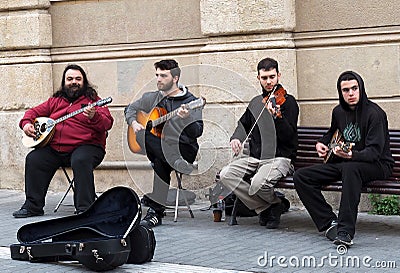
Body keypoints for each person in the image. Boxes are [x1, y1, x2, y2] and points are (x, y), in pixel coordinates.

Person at [294, 71, 394, 247]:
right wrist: (322, 143)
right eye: (345, 90)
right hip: (347, 163)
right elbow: (332, 132)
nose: (351, 94)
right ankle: (329, 223)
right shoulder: (338, 111)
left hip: (377, 165)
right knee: (301, 176)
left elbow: (374, 152)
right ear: (340, 92)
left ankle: (345, 232)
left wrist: (351, 155)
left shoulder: (375, 114)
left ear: (361, 88)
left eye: (354, 88)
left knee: (350, 168)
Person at [13, 64, 114, 218]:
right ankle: (33, 206)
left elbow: (108, 123)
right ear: (64, 82)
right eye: (70, 79)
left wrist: (94, 116)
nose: (74, 82)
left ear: (84, 82)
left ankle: (84, 209)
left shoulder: (94, 102)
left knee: (81, 159)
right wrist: (26, 123)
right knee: (34, 159)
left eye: (78, 79)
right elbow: (32, 112)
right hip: (56, 148)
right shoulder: (55, 101)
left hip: (87, 147)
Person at [218, 57, 299, 229]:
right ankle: (270, 206)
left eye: (272, 77)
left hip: (279, 158)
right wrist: (236, 138)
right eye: (264, 78)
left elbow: (289, 136)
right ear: (258, 78)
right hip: (255, 158)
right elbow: (243, 125)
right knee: (226, 174)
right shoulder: (256, 103)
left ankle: (268, 207)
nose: (269, 82)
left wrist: (277, 117)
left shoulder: (288, 102)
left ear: (279, 76)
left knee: (257, 183)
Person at [125, 59, 203, 228]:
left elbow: (197, 132)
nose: (158, 79)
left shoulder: (191, 101)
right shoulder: (152, 98)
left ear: (175, 78)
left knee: (161, 162)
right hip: (161, 148)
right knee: (141, 134)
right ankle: (155, 209)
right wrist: (133, 122)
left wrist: (187, 118)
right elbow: (129, 109)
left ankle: (155, 213)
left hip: (184, 150)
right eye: (157, 75)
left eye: (163, 75)